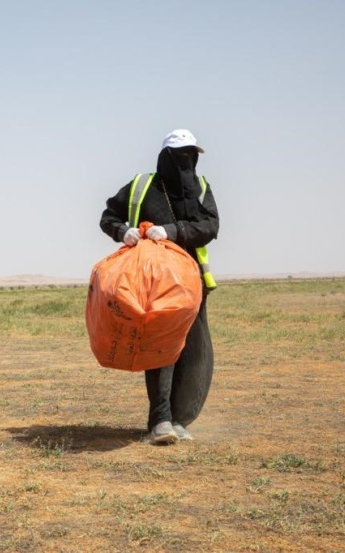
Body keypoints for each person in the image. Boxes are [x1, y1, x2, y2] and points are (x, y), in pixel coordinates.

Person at [99, 129, 219, 445]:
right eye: (181, 155)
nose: (187, 161)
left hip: (193, 286)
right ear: (166, 157)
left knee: (193, 352)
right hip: (153, 287)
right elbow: (108, 216)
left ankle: (180, 418)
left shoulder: (202, 188)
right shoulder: (142, 187)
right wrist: (122, 231)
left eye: (191, 155)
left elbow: (210, 226)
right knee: (160, 350)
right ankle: (160, 421)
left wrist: (172, 231)